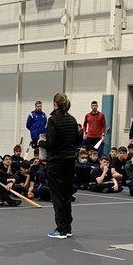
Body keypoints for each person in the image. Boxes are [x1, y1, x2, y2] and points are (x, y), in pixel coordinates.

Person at [41, 92, 81, 239]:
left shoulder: (52, 120)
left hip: (56, 161)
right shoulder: (72, 120)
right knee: (66, 195)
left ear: (54, 103)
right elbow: (76, 141)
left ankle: (61, 228)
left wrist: (40, 143)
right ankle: (68, 227)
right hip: (70, 161)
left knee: (57, 195)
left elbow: (51, 143)